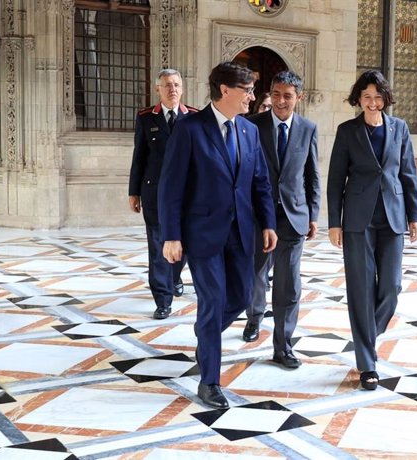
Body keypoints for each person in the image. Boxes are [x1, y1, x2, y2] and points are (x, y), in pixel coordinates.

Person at [158, 61, 278, 408]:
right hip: (202, 234)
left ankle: (204, 337)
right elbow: (171, 186)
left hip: (241, 233)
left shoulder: (249, 131)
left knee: (240, 298)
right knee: (212, 302)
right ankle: (209, 380)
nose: (253, 98)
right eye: (247, 90)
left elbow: (259, 182)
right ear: (224, 90)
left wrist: (268, 223)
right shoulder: (189, 128)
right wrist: (171, 235)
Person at [327, 70, 417, 390]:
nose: (372, 102)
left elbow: (408, 173)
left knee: (391, 288)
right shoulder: (347, 131)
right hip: (357, 221)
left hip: (393, 218)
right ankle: (367, 364)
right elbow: (335, 180)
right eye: (366, 96)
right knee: (360, 289)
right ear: (358, 98)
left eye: (377, 96)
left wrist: (415, 216)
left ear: (385, 98)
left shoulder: (400, 129)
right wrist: (334, 223)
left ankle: (366, 336)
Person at [242, 71, 320, 371]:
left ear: (298, 98)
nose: (281, 101)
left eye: (288, 95)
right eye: (276, 94)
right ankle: (254, 317)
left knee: (289, 283)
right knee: (256, 274)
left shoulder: (308, 129)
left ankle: (283, 346)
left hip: (293, 217)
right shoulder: (251, 126)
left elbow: (312, 175)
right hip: (259, 216)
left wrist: (313, 214)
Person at [128, 69, 196, 320]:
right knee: (158, 247)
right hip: (155, 192)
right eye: (167, 85)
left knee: (184, 243)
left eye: (177, 84)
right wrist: (133, 192)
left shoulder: (195, 117)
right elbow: (139, 157)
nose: (173, 89)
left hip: (188, 195)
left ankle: (175, 275)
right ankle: (163, 298)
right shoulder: (147, 117)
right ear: (158, 89)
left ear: (182, 88)